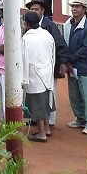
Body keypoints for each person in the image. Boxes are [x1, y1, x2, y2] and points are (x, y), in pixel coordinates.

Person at [26, 0, 70, 127]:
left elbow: (60, 44)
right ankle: (36, 118)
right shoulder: (28, 25)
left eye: (36, 9)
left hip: (48, 67)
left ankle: (50, 121)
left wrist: (63, 62)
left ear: (43, 11)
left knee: (50, 93)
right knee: (34, 94)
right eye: (32, 9)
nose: (34, 11)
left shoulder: (50, 26)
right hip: (32, 68)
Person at [64, 0, 87, 135]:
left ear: (84, 9)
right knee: (74, 94)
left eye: (77, 6)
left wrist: (71, 58)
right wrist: (67, 61)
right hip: (72, 66)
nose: (74, 9)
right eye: (73, 6)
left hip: (85, 66)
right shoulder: (68, 24)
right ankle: (80, 119)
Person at [22, 11, 56, 142]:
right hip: (47, 72)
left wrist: (23, 78)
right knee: (45, 102)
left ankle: (42, 133)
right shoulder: (47, 34)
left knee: (37, 104)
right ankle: (46, 128)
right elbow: (53, 53)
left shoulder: (26, 39)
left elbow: (23, 58)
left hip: (34, 75)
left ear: (26, 24)